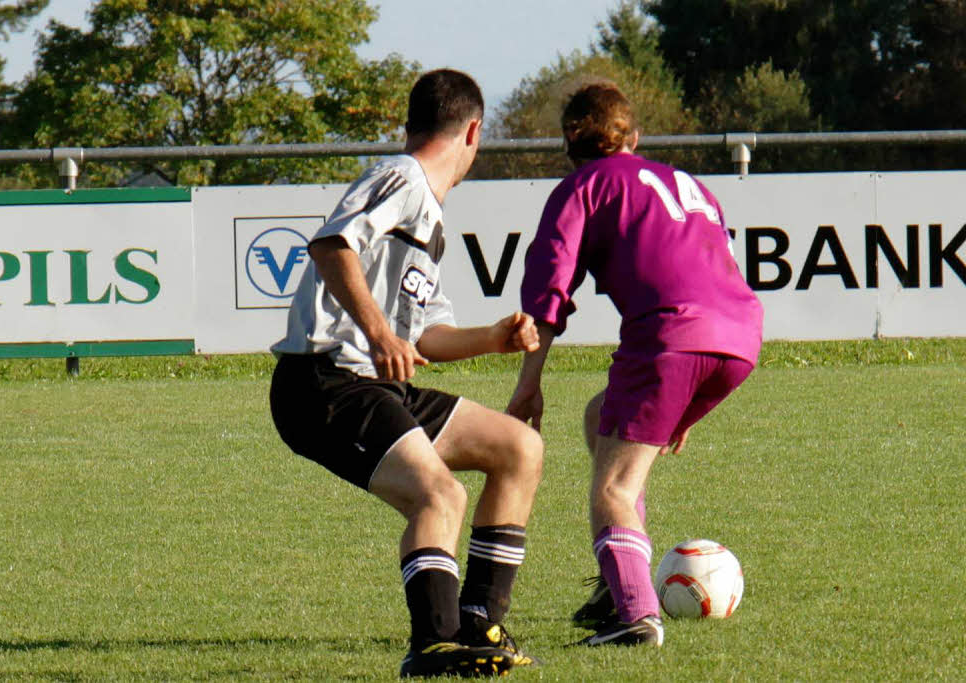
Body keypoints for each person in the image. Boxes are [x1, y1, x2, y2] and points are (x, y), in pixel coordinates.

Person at [269, 69, 544, 678]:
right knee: (440, 493)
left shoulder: (428, 216)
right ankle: (435, 643)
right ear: (474, 131)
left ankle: (478, 623)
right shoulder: (402, 177)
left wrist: (492, 339)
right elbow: (332, 244)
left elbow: (423, 340)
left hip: (373, 382)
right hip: (325, 383)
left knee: (517, 448)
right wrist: (378, 333)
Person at [507, 81, 763, 648]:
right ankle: (614, 580)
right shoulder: (687, 183)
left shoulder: (583, 186)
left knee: (613, 489)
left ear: (569, 142)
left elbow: (549, 288)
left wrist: (529, 383)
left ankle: (634, 615)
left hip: (671, 336)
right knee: (603, 415)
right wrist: (688, 407)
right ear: (634, 137)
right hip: (741, 337)